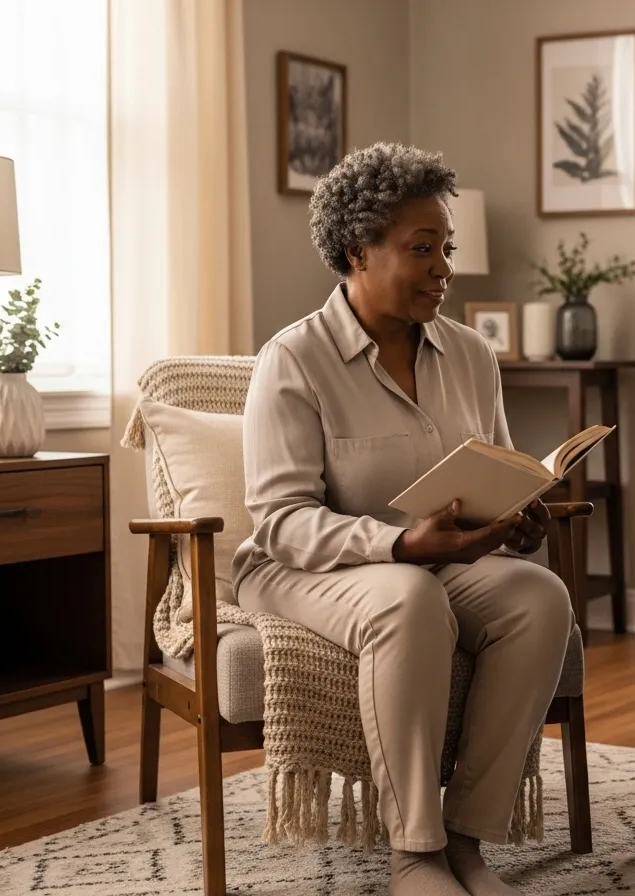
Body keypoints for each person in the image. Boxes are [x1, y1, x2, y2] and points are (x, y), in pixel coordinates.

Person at [232, 141, 574, 896]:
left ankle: (465, 841)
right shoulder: (292, 360)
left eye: (445, 248)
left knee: (538, 597)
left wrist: (519, 515)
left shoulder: (473, 356)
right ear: (358, 251)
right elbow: (282, 519)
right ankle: (412, 854)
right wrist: (396, 543)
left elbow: (502, 466)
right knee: (407, 596)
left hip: (438, 559)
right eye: (423, 249)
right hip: (303, 569)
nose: (444, 267)